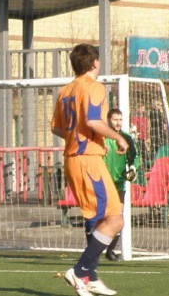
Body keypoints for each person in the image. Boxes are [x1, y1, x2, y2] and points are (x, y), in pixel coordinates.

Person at [51, 44, 128, 296]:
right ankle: (80, 271)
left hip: (74, 159)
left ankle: (91, 277)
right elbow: (93, 120)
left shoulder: (65, 91)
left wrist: (76, 137)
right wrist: (118, 137)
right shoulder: (94, 86)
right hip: (88, 161)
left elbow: (56, 128)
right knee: (115, 219)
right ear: (95, 62)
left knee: (100, 218)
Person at [103, 108, 140, 262]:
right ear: (108, 120)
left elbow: (135, 158)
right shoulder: (101, 137)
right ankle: (93, 249)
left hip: (118, 185)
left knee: (118, 220)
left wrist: (132, 169)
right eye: (115, 119)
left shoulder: (126, 138)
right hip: (102, 184)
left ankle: (110, 250)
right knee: (99, 219)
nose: (118, 123)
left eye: (120, 119)